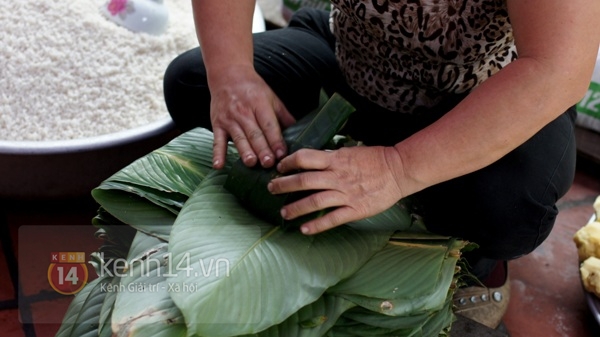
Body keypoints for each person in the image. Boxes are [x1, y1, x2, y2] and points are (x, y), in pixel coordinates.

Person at [163, 0, 600, 329]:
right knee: (193, 82)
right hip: (349, 64)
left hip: (476, 101)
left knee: (512, 203)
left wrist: (398, 167)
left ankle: (472, 263)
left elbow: (557, 66)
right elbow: (224, 71)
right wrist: (232, 74)